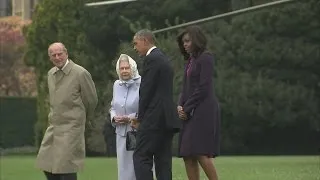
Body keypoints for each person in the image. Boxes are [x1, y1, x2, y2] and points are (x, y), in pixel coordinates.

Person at [35, 42, 98, 180]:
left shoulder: (80, 73)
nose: (57, 57)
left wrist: (81, 118)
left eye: (60, 54)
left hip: (72, 127)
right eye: (53, 55)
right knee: (46, 164)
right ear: (50, 57)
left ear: (66, 53)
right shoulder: (51, 74)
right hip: (54, 126)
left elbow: (91, 100)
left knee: (66, 166)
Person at [131, 29, 181, 180]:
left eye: (136, 43)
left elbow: (146, 90)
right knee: (163, 160)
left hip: (154, 118)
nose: (135, 47)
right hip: (166, 119)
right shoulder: (163, 58)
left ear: (145, 41)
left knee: (141, 155)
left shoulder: (151, 59)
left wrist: (140, 117)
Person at [176, 25, 221, 180]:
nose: (185, 44)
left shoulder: (206, 58)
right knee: (187, 154)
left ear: (196, 40)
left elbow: (204, 87)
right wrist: (180, 105)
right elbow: (185, 87)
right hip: (189, 111)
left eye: (188, 41)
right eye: (183, 42)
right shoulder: (190, 60)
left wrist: (187, 108)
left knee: (201, 152)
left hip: (203, 111)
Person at [109, 54, 141, 180]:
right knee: (123, 168)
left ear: (132, 68)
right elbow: (112, 106)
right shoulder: (117, 84)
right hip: (121, 133)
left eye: (127, 68)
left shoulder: (141, 83)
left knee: (137, 166)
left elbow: (147, 109)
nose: (124, 71)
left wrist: (130, 118)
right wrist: (114, 117)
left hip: (137, 131)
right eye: (121, 68)